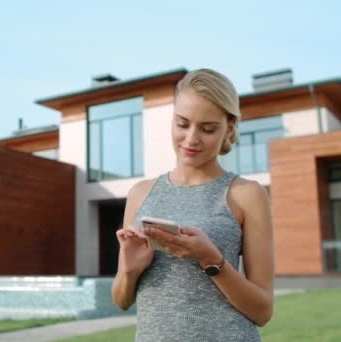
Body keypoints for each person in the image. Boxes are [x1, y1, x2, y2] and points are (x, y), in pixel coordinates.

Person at [111, 69, 274, 342]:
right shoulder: (140, 193)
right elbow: (121, 300)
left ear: (229, 128)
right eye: (182, 124)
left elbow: (263, 311)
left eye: (207, 129)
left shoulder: (246, 194)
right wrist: (131, 268)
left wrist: (209, 258)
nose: (191, 139)